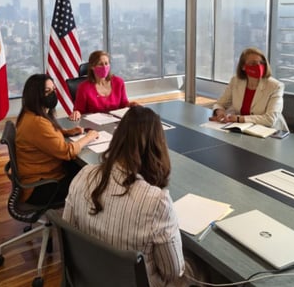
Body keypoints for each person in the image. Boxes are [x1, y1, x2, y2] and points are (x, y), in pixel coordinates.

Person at [63, 106, 199, 287]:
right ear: (156, 147)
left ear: (118, 139)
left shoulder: (83, 175)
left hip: (88, 278)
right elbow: (172, 271)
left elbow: (67, 232)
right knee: (201, 270)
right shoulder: (157, 202)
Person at [15, 74, 98, 205]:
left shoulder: (29, 114)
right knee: (95, 179)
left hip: (44, 176)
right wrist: (89, 137)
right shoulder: (37, 123)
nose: (52, 94)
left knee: (85, 171)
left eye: (54, 90)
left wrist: (67, 132)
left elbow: (44, 137)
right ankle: (82, 220)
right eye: (47, 91)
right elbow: (67, 152)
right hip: (41, 186)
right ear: (35, 95)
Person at [210, 47, 288, 130]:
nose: (258, 66)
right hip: (243, 129)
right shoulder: (236, 81)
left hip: (269, 132)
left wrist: (239, 119)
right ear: (243, 67)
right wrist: (219, 112)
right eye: (253, 63)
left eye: (261, 62)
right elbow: (220, 103)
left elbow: (270, 119)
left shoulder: (275, 86)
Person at [69, 50, 137, 121]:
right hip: (93, 126)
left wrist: (130, 105)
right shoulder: (84, 88)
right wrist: (77, 113)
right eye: (100, 64)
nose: (104, 67)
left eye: (106, 63)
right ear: (92, 66)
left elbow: (123, 105)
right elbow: (79, 111)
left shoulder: (118, 82)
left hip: (116, 124)